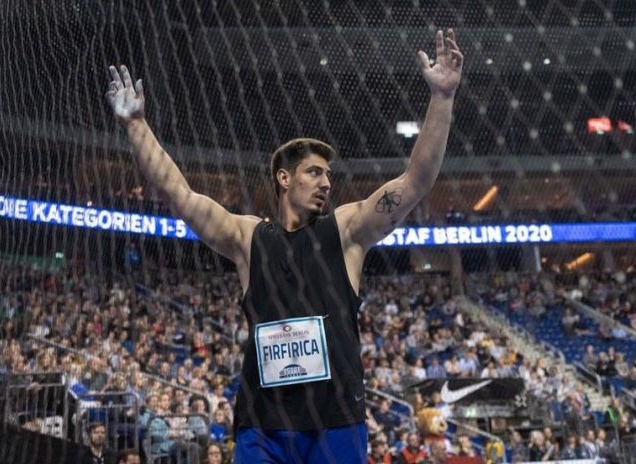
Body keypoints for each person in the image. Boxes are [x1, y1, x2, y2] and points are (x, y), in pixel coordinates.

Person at [106, 28, 463, 464]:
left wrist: (442, 98)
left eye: (328, 175)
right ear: (284, 178)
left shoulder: (346, 231)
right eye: (314, 172)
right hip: (264, 425)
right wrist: (136, 125)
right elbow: (179, 195)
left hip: (336, 422)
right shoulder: (248, 238)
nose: (326, 183)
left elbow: (415, 181)